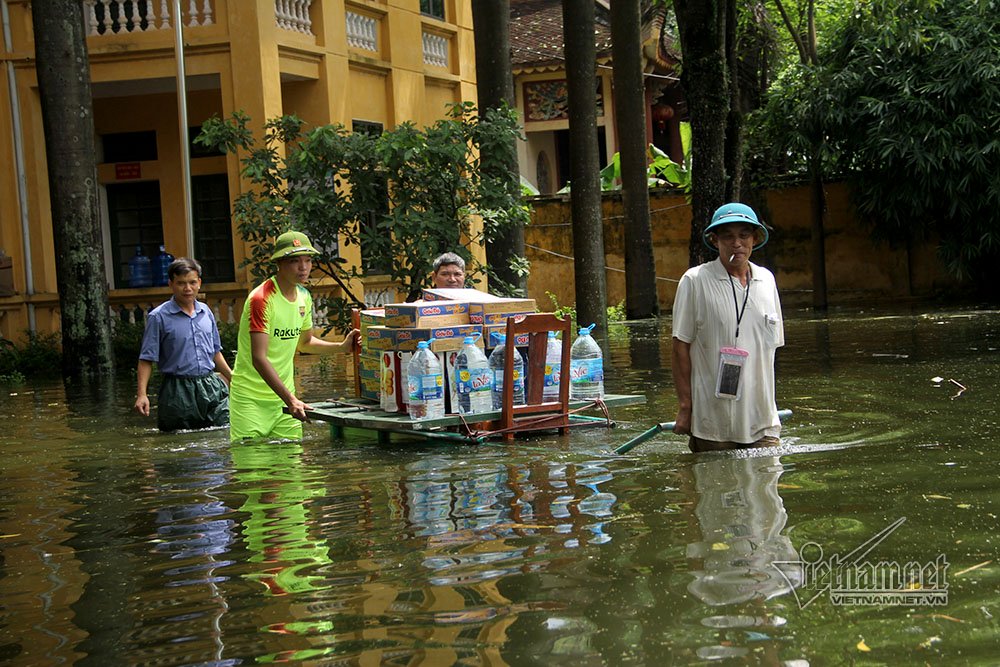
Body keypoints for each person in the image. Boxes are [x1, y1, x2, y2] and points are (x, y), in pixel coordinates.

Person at [671, 202, 784, 452]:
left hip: (763, 422)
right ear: (715, 241)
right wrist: (686, 407)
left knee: (766, 488)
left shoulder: (766, 280)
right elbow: (680, 348)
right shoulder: (695, 281)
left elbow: (771, 349)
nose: (737, 243)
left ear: (755, 239)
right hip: (714, 423)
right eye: (728, 236)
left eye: (744, 235)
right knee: (715, 487)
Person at [229, 231, 359, 442]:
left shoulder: (304, 297)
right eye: (295, 261)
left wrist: (341, 347)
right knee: (252, 466)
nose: (303, 267)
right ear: (279, 264)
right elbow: (258, 357)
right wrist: (291, 399)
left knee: (293, 467)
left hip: (285, 397)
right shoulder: (261, 299)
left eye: (308, 260)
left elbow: (305, 343)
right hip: (250, 399)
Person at [135, 257, 232, 431]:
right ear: (171, 284)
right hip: (177, 391)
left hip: (210, 384)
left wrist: (233, 379)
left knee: (224, 430)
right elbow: (146, 359)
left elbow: (215, 352)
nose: (187, 288)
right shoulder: (158, 317)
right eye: (181, 283)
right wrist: (142, 394)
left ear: (199, 283)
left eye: (192, 282)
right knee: (180, 438)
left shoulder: (206, 312)